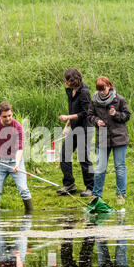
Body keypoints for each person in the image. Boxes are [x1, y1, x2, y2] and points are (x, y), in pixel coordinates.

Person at [87, 76, 131, 205]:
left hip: (119, 137)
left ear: (109, 86)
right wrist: (96, 121)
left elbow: (127, 116)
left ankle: (121, 194)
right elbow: (90, 116)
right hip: (102, 138)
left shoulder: (120, 99)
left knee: (120, 167)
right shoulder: (94, 101)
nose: (102, 92)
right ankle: (96, 195)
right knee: (100, 167)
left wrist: (116, 114)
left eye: (104, 89)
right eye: (99, 89)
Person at [0, 102, 33, 212]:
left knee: (24, 190)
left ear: (12, 113)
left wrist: (17, 164)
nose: (8, 119)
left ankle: (29, 219)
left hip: (15, 162)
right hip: (0, 163)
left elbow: (20, 149)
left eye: (10, 115)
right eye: (5, 116)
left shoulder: (18, 127)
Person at [57, 68, 94, 197]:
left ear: (72, 80)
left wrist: (67, 117)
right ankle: (69, 184)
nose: (65, 82)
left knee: (83, 157)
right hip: (74, 127)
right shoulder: (70, 91)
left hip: (85, 127)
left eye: (67, 80)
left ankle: (90, 187)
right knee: (64, 154)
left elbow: (85, 113)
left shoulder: (84, 93)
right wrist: (67, 126)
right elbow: (72, 110)